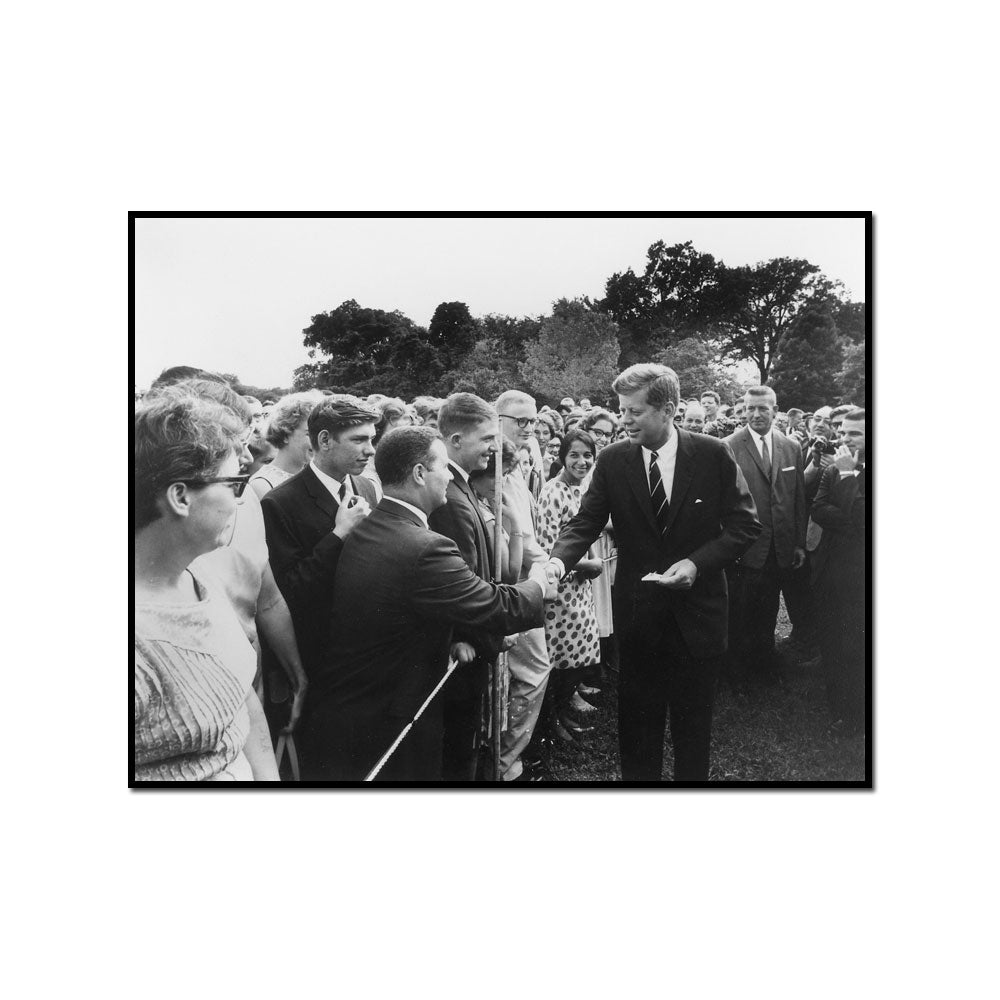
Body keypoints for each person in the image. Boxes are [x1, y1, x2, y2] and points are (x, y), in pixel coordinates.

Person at [298, 427, 553, 781]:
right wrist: (539, 582)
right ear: (419, 473)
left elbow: (405, 607)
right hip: (391, 717)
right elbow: (496, 606)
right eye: (444, 467)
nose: (450, 476)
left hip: (353, 709)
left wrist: (453, 637)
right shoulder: (425, 546)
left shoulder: (373, 525)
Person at [545, 364, 760, 782]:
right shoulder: (612, 460)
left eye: (633, 412)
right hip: (640, 617)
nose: (623, 421)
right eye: (621, 410)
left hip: (698, 617)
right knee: (638, 732)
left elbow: (745, 525)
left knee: (693, 731)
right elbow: (585, 521)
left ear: (669, 409)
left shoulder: (713, 453)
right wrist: (557, 561)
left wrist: (697, 563)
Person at [134, 391, 279, 781]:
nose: (238, 501)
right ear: (180, 497)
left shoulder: (199, 577)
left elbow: (238, 696)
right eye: (234, 484)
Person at [260, 397, 379, 756]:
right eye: (359, 440)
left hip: (366, 653)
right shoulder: (280, 503)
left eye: (372, 439)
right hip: (322, 662)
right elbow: (288, 590)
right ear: (325, 440)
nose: (370, 450)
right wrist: (339, 534)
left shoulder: (367, 488)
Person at [427, 393, 504, 781]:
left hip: (472, 643)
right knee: (457, 751)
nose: (496, 446)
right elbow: (461, 581)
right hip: (464, 649)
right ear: (455, 441)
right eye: (487, 438)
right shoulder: (452, 499)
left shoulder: (464, 487)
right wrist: (471, 634)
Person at [723, 386, 807, 686]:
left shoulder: (791, 447)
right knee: (741, 610)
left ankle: (764, 663)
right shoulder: (728, 446)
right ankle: (738, 671)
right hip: (745, 547)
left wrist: (798, 542)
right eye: (750, 408)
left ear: (775, 409)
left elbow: (796, 496)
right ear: (742, 410)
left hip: (780, 546)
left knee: (769, 607)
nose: (756, 414)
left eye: (763, 408)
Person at [495, 389, 556, 782]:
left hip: (528, 577)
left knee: (526, 674)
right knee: (533, 672)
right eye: (521, 421)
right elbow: (516, 536)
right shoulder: (496, 468)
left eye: (533, 421)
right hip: (512, 583)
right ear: (496, 419)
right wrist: (549, 567)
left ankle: (506, 756)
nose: (530, 428)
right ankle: (504, 763)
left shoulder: (518, 465)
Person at [536, 429, 603, 742]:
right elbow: (548, 547)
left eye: (587, 455)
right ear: (562, 456)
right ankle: (551, 724)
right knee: (560, 663)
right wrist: (586, 565)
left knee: (577, 658)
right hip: (559, 590)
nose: (582, 461)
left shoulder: (585, 488)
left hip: (580, 589)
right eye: (574, 455)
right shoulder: (552, 492)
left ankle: (561, 713)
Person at [811, 409, 867, 733]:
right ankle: (840, 708)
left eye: (854, 434)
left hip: (859, 574)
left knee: (854, 642)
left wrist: (848, 480)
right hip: (831, 569)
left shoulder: (841, 471)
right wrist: (852, 521)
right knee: (833, 640)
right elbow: (818, 509)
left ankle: (857, 714)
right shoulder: (833, 469)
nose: (845, 439)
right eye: (843, 433)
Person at [249, 390, 324, 499]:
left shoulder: (315, 476)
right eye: (310, 434)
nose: (318, 442)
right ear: (285, 434)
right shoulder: (262, 485)